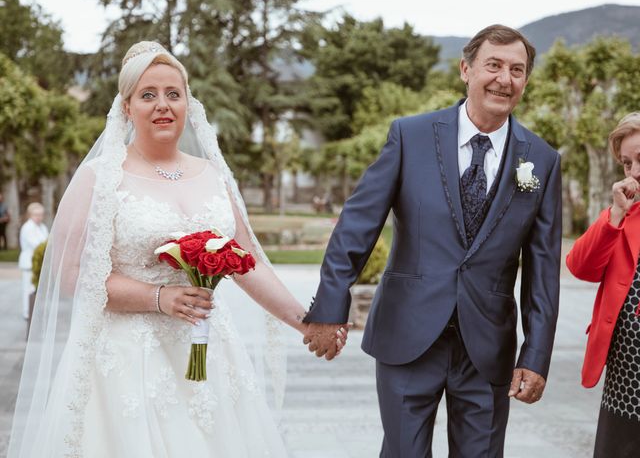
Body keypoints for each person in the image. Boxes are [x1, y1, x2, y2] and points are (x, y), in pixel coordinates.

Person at [8, 41, 346, 458]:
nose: (162, 105)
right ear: (127, 107)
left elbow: (246, 263)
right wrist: (158, 297)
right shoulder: (98, 179)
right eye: (147, 95)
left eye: (173, 93)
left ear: (189, 102)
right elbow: (72, 274)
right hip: (130, 363)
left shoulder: (213, 175)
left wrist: (309, 323)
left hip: (210, 357)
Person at [302, 24, 562, 456]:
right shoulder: (410, 135)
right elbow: (358, 224)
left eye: (517, 70)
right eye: (493, 65)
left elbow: (543, 270)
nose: (504, 79)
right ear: (465, 69)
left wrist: (535, 354)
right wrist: (330, 307)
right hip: (408, 336)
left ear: (526, 81)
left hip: (487, 348)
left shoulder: (542, 160)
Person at [566, 112, 640, 458]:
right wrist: (613, 216)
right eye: (627, 163)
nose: (634, 171)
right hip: (626, 378)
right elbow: (580, 266)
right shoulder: (623, 215)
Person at [18, 202, 48, 320]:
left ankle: (35, 312)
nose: (39, 217)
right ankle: (27, 313)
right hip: (29, 263)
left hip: (39, 263)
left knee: (37, 289)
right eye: (36, 214)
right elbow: (38, 245)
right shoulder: (28, 227)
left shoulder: (42, 227)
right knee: (28, 289)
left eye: (41, 214)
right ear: (30, 214)